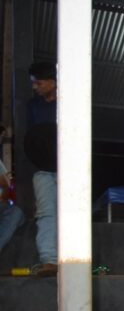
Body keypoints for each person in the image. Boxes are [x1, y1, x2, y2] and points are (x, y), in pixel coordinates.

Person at [27, 61, 57, 277]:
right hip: (43, 168)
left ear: (53, 82)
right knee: (46, 213)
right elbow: (32, 139)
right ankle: (49, 261)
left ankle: (78, 259)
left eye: (39, 83)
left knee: (73, 214)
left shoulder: (72, 101)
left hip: (70, 169)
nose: (35, 87)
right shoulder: (33, 105)